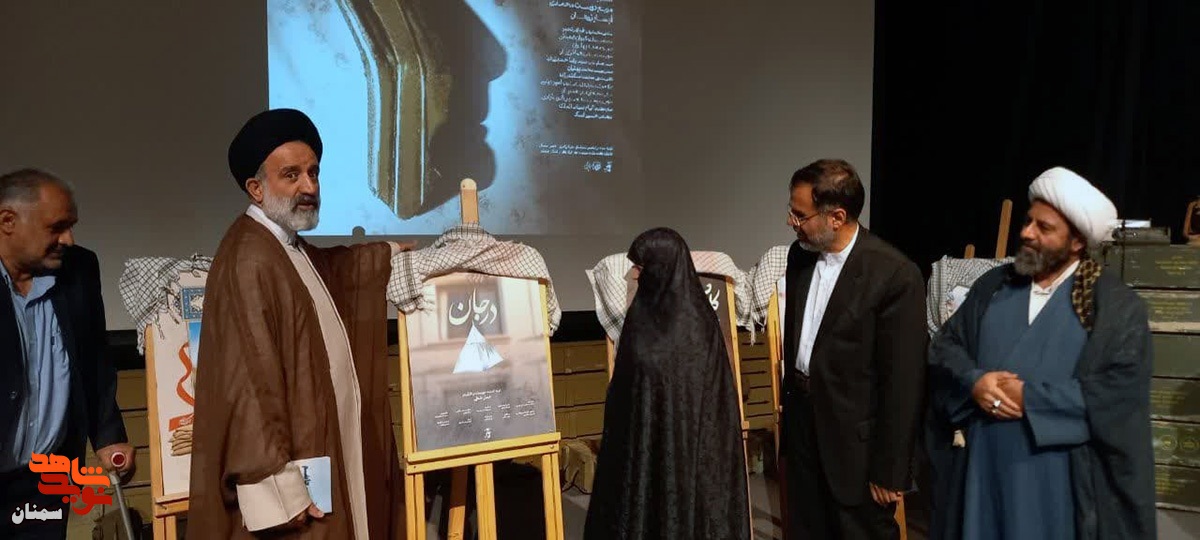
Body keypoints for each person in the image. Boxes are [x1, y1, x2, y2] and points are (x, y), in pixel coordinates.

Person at [189, 109, 413, 539]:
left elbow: (334, 269)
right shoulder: (248, 258)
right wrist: (280, 489)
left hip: (321, 448)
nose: (309, 187)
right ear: (256, 188)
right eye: (291, 175)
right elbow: (248, 384)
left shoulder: (286, 246)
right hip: (293, 476)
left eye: (313, 173)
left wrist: (386, 252)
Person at [925, 166, 1155, 539]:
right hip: (983, 473)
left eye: (1044, 228)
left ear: (1076, 241)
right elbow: (945, 347)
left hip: (1058, 483)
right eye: (1028, 221)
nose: (1027, 233)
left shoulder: (1112, 305)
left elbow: (1119, 394)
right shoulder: (993, 287)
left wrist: (1029, 398)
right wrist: (974, 382)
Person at [780, 159, 927, 539]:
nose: (791, 222)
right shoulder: (800, 256)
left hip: (856, 450)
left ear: (837, 217)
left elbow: (903, 381)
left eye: (800, 215)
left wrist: (891, 469)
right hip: (803, 432)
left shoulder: (894, 275)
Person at [583, 227, 750, 540]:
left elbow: (710, 401)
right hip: (644, 448)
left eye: (640, 267)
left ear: (662, 269)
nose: (633, 274)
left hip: (691, 452)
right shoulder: (639, 317)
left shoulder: (698, 325)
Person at [0, 169, 134, 539]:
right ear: (8, 221)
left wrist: (108, 435)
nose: (68, 239)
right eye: (56, 228)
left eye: (71, 226)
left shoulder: (80, 270)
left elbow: (93, 361)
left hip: (45, 484)